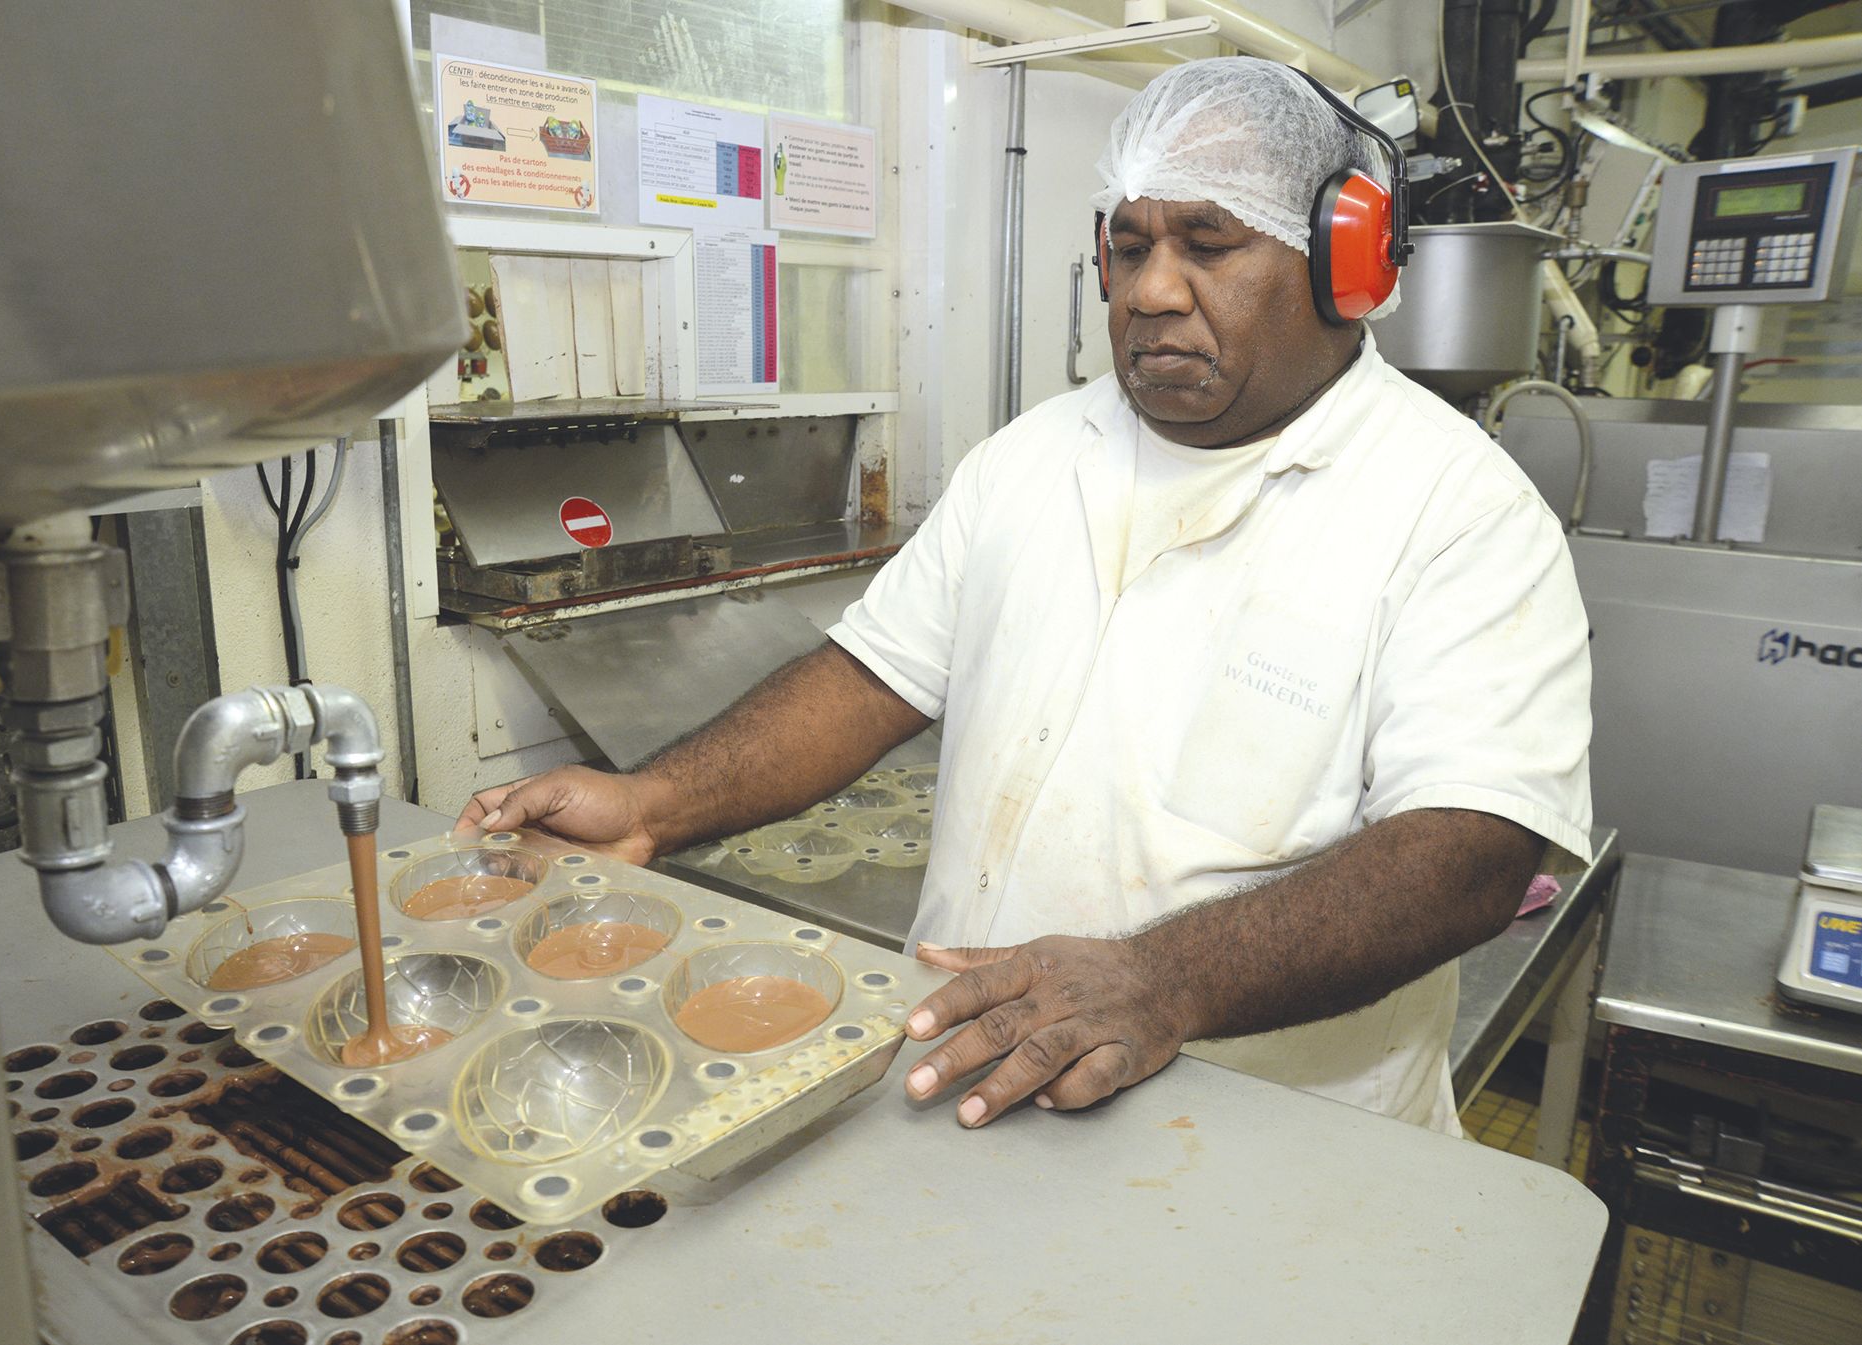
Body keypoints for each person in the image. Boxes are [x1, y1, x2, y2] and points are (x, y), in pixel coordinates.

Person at [460, 57, 1592, 1135]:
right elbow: (869, 678)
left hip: (1272, 1135)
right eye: (1130, 243)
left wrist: (1161, 978)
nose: (1151, 290)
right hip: (984, 1081)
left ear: (1347, 268)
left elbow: (1470, 854)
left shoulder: (1457, 510)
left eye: (1210, 244)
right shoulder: (1030, 459)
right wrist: (653, 802)